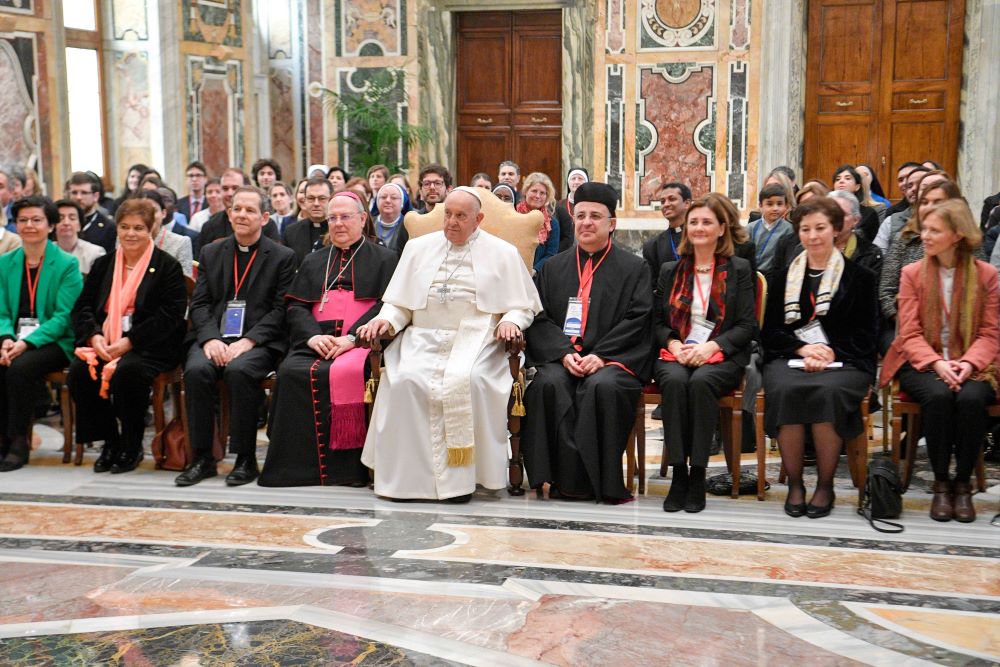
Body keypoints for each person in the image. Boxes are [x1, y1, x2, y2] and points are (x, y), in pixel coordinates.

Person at [357, 187, 541, 501]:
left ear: (478, 219)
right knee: (403, 381)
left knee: (469, 381)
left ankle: (463, 481)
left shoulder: (503, 252)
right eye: (448, 214)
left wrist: (511, 320)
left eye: (460, 216)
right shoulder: (418, 249)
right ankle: (406, 480)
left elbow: (522, 305)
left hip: (479, 338)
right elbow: (400, 304)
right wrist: (385, 320)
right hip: (422, 336)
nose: (451, 223)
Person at [522, 182, 652, 503]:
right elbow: (539, 318)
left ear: (612, 224)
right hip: (565, 356)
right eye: (580, 216)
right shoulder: (553, 268)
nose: (587, 222)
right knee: (547, 384)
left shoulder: (635, 268)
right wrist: (564, 354)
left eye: (596, 216)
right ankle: (555, 480)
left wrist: (602, 356)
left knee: (601, 387)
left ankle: (599, 483)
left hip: (612, 361)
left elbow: (639, 318)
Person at [259, 191, 398, 487]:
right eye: (332, 218)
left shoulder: (386, 259)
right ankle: (293, 470)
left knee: (352, 372)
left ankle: (349, 471)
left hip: (361, 343)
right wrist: (311, 338)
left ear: (362, 219)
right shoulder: (313, 261)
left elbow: (386, 306)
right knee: (289, 373)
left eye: (345, 217)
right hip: (316, 341)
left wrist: (351, 338)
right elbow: (296, 305)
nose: (337, 224)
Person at [761, 197, 878, 519]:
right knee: (784, 389)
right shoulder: (782, 276)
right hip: (790, 358)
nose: (813, 236)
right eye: (805, 229)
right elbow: (770, 333)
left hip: (847, 361)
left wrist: (829, 352)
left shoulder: (861, 277)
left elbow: (867, 335)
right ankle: (796, 485)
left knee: (828, 392)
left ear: (836, 229)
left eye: (820, 228)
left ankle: (825, 485)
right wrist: (802, 349)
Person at [881, 200, 997, 523]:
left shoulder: (986, 275)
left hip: (975, 364)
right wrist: (938, 364)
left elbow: (990, 332)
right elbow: (908, 332)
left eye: (934, 230)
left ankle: (963, 484)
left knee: (973, 398)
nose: (925, 236)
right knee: (938, 395)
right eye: (924, 228)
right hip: (922, 361)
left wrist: (969, 364)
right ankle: (941, 484)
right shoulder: (912, 273)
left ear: (957, 234)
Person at [176, 187, 296, 487]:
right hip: (214, 337)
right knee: (196, 370)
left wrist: (249, 341)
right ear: (229, 214)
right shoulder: (211, 252)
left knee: (240, 371)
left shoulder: (281, 256)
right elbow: (200, 303)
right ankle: (202, 458)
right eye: (237, 209)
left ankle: (245, 459)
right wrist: (210, 339)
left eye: (250, 210)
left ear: (264, 217)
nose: (242, 215)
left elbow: (281, 309)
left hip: (258, 341)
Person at [68, 199, 188, 474]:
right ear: (117, 229)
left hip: (150, 345)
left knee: (128, 372)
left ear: (151, 230)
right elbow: (83, 307)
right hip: (105, 340)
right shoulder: (104, 264)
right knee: (80, 371)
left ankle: (132, 444)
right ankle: (110, 441)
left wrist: (130, 341)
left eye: (138, 228)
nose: (131, 234)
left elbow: (170, 315)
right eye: (124, 227)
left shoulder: (166, 266)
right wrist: (94, 336)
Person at [653, 195, 757, 512]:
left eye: (707, 222)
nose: (699, 227)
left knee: (701, 383)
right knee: (673, 382)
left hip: (722, 353)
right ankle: (678, 475)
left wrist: (711, 346)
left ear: (722, 228)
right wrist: (673, 344)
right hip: (677, 352)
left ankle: (698, 474)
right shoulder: (671, 270)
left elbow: (746, 325)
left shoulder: (738, 269)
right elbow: (656, 322)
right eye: (694, 222)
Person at [0, 198, 83, 471]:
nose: (29, 226)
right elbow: (1, 312)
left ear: (50, 226)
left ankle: (18, 442)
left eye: (36, 220)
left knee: (19, 368)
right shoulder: (5, 263)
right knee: (4, 361)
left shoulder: (66, 264)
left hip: (55, 341)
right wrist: (6, 339)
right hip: (14, 339)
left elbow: (63, 317)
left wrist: (25, 343)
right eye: (23, 220)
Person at [880, 178, 963, 353]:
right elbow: (886, 291)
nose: (929, 207)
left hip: (959, 328)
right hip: (907, 324)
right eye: (924, 202)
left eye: (937, 202)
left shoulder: (967, 246)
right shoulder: (904, 238)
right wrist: (904, 321)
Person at [136, 190, 195, 279]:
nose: (148, 216)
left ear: (163, 213)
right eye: (142, 211)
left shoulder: (181, 243)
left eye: (154, 211)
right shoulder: (127, 240)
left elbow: (185, 284)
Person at [642, 182, 692, 283]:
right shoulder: (652, 246)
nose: (666, 204)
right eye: (662, 201)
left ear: (687, 203)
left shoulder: (701, 236)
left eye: (672, 199)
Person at [872, 166, 931, 253]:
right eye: (909, 186)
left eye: (920, 184)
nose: (914, 189)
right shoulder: (890, 221)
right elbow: (878, 256)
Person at [282, 178, 333, 266]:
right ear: (304, 201)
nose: (316, 203)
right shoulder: (291, 232)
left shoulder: (340, 229)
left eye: (322, 198)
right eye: (311, 198)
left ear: (331, 199)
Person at [747, 183, 793, 280]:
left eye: (779, 204)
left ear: (786, 206)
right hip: (751, 276)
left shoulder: (789, 230)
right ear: (760, 205)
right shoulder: (750, 228)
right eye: (769, 204)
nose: (775, 208)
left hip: (775, 278)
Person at [517, 172, 560, 271]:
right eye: (534, 191)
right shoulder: (513, 215)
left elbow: (551, 254)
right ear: (525, 192)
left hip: (537, 276)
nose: (537, 196)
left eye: (542, 193)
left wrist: (534, 270)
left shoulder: (552, 224)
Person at [54, 199, 105, 274]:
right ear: (52, 225)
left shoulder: (95, 253)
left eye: (72, 218)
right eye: (60, 218)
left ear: (79, 225)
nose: (66, 223)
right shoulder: (45, 252)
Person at [68, 172, 115, 253]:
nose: (78, 197)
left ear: (95, 196)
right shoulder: (61, 223)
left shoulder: (108, 227)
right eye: (74, 193)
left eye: (84, 193)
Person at [832, 165, 880, 241]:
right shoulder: (825, 211)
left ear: (857, 187)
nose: (841, 181)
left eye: (847, 178)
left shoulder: (868, 214)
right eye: (837, 179)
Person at [554, 167, 589, 252]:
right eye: (573, 179)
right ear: (568, 182)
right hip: (563, 252)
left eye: (580, 178)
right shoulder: (558, 205)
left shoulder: (592, 204)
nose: (576, 182)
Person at [372, 182, 412, 253]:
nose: (388, 200)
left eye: (394, 197)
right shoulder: (369, 223)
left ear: (402, 202)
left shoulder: (409, 226)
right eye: (383, 197)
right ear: (377, 201)